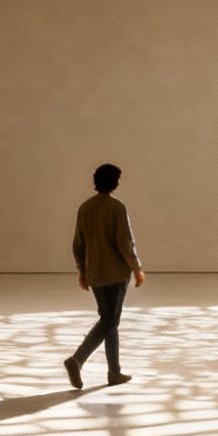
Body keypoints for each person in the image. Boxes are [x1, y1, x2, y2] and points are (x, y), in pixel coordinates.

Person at [64, 163, 145, 388]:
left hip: (96, 275)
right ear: (112, 182)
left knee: (110, 322)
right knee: (110, 320)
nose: (119, 182)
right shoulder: (117, 208)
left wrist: (82, 271)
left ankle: (114, 372)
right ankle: (77, 359)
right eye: (117, 179)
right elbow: (125, 243)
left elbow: (78, 244)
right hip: (117, 274)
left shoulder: (85, 208)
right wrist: (137, 268)